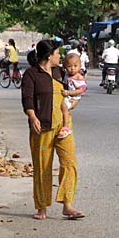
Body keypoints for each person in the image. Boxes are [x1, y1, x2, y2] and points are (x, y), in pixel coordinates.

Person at [21, 40, 84, 220]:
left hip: (64, 125)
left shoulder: (60, 72)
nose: (60, 57)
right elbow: (27, 99)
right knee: (42, 166)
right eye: (57, 54)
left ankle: (68, 205)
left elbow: (73, 90)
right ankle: (42, 208)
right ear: (49, 56)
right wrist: (33, 117)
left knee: (69, 163)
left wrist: (73, 103)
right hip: (42, 125)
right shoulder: (31, 74)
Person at [59, 53, 87, 138]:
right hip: (68, 96)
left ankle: (66, 127)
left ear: (80, 66)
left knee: (64, 107)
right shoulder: (67, 75)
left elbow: (81, 90)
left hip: (73, 97)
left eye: (75, 66)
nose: (72, 69)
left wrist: (69, 93)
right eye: (69, 66)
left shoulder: (78, 77)